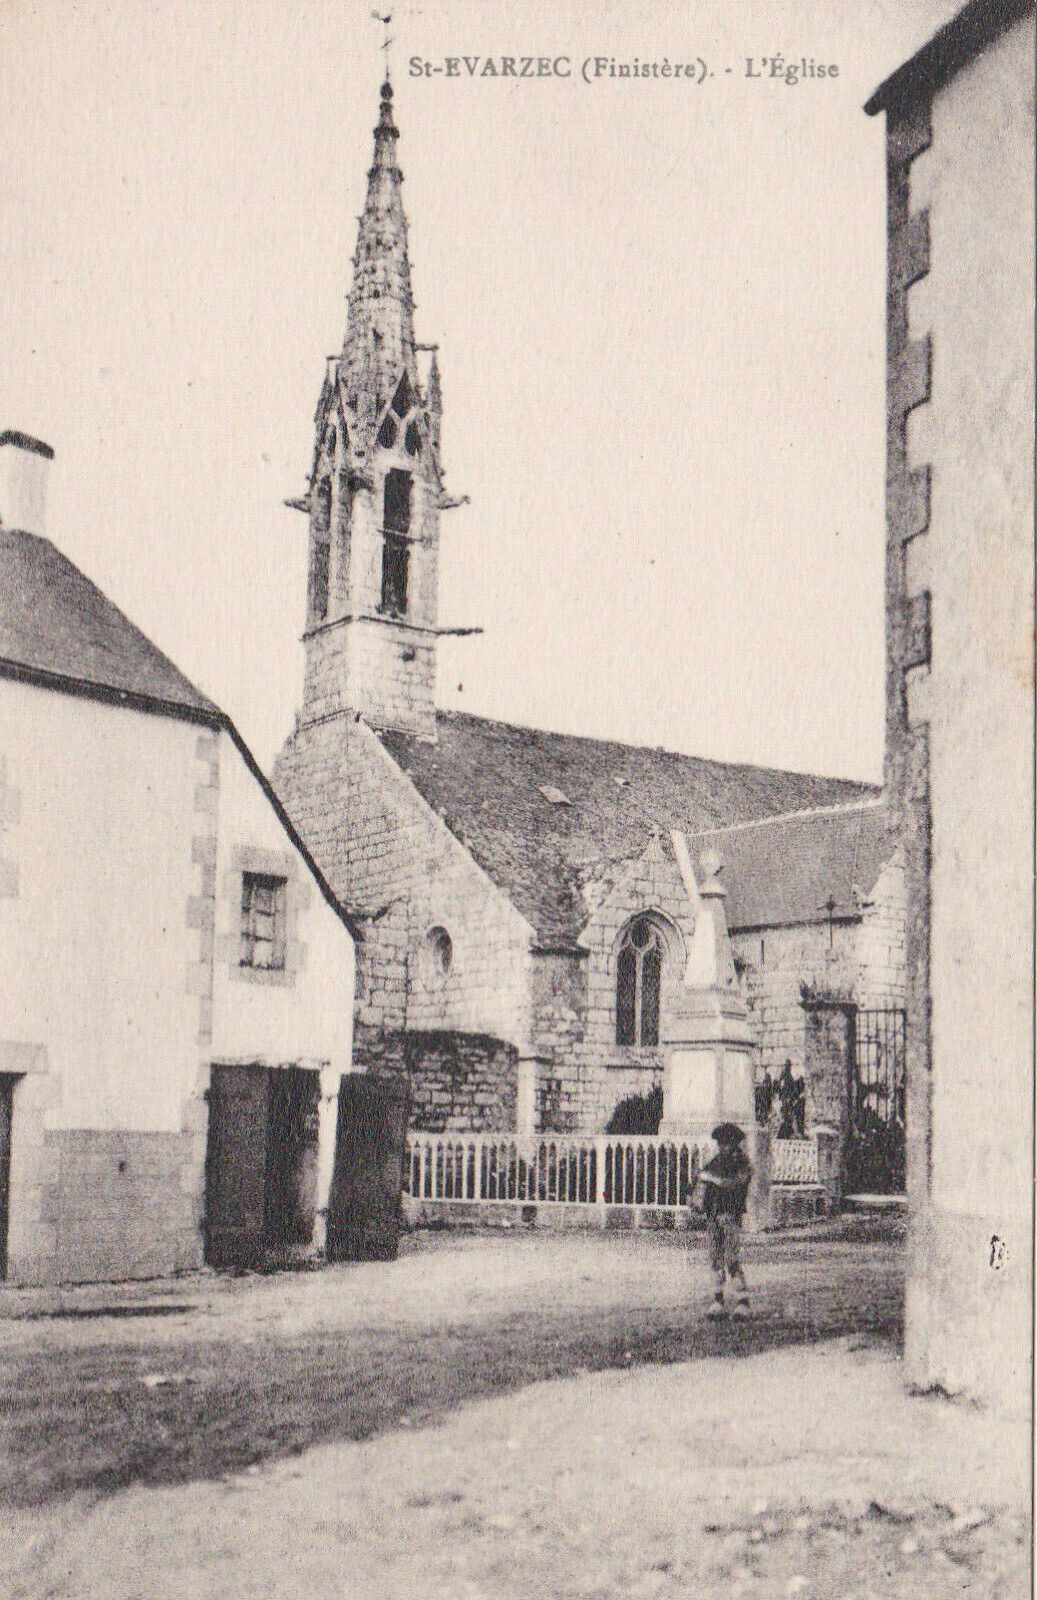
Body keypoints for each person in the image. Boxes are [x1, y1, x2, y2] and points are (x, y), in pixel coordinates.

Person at [695, 1121, 753, 1320]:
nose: (722, 1147)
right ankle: (718, 1301)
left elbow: (735, 1183)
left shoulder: (742, 1163)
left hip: (730, 1215)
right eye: (720, 1143)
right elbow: (701, 1177)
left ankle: (743, 1303)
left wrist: (713, 1180)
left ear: (734, 1143)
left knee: (732, 1260)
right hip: (713, 1214)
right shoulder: (717, 1161)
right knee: (715, 1260)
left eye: (725, 1143)